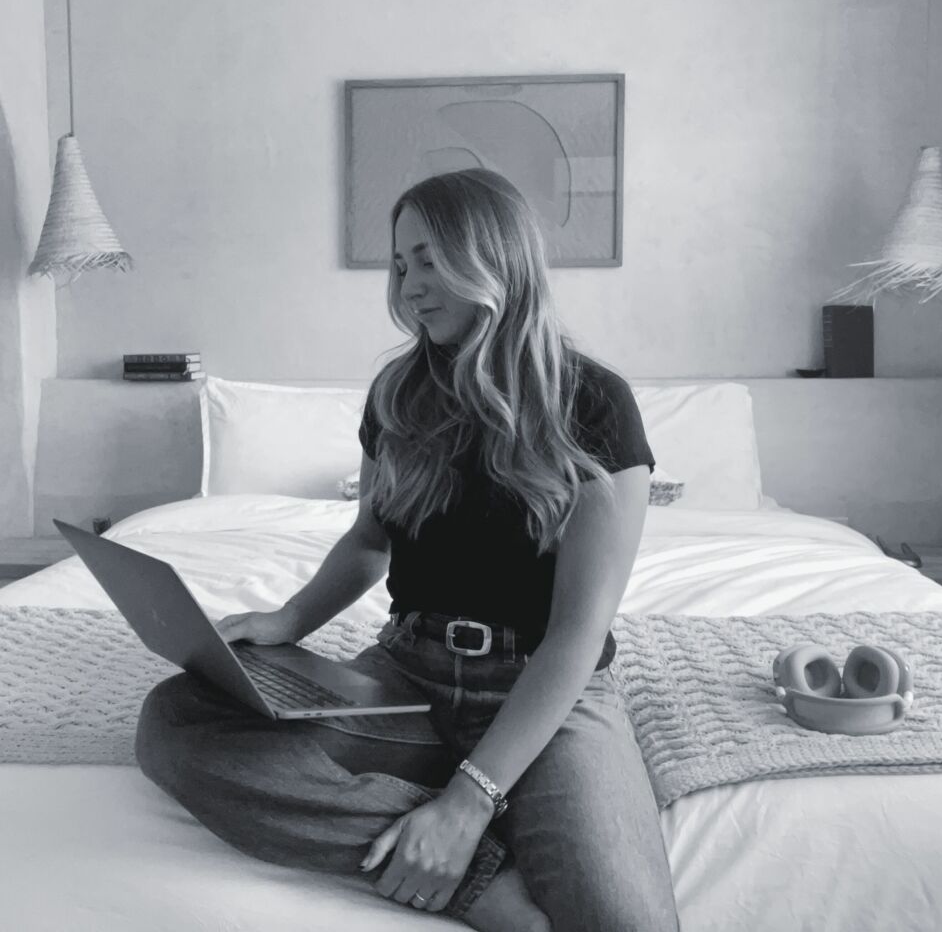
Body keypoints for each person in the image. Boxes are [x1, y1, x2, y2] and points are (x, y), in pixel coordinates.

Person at [135, 168, 680, 932]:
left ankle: (455, 821)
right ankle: (477, 884)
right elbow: (370, 540)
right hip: (408, 675)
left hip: (546, 691)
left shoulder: (594, 402)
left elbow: (578, 634)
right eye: (399, 265)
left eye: (430, 260)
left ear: (493, 257)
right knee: (175, 722)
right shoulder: (399, 393)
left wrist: (468, 801)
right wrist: (289, 620)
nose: (409, 286)